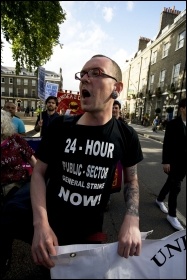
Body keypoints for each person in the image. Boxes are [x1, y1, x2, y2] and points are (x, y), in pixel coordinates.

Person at [30, 54, 143, 270]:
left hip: (90, 236)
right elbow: (38, 173)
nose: (84, 78)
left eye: (96, 73)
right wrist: (40, 224)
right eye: (82, 74)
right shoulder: (59, 127)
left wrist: (132, 219)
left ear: (116, 87)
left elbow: (132, 181)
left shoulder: (127, 136)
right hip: (51, 231)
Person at [0, 110, 37, 276]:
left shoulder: (15, 140)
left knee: (10, 215)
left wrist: (40, 181)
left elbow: (33, 161)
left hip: (16, 185)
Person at [156, 98, 186, 231]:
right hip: (174, 161)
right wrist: (166, 161)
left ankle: (160, 199)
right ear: (182, 108)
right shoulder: (173, 124)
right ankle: (172, 215)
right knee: (176, 186)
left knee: (171, 183)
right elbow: (167, 144)